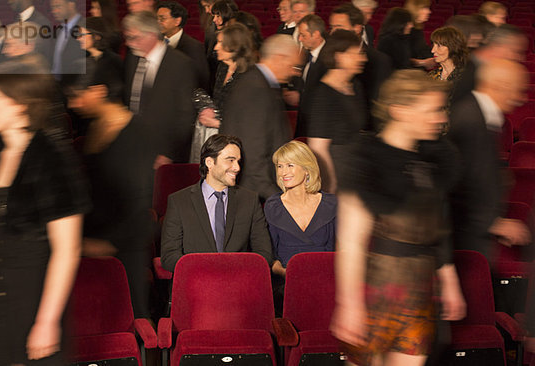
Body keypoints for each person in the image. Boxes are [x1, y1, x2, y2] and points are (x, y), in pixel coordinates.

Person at [331, 69, 466, 366]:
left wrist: (448, 278)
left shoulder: (434, 159)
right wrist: (350, 305)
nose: (441, 118)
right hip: (375, 290)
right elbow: (351, 242)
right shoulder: (365, 160)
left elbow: (437, 230)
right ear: (400, 111)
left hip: (419, 291)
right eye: (432, 110)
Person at [0, 61, 90, 365]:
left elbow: (66, 250)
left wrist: (46, 321)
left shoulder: (53, 156)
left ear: (19, 105)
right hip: (0, 287)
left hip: (38, 290)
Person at [66, 57, 154, 319]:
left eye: (77, 96)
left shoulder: (137, 132)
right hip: (92, 242)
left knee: (131, 315)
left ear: (99, 91)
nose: (72, 104)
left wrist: (106, 244)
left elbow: (137, 199)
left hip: (122, 245)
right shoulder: (93, 126)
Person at [448, 59, 531, 258]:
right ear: (500, 86)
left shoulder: (480, 115)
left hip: (475, 233)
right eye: (518, 90)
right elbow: (459, 182)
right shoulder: (469, 119)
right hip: (465, 237)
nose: (521, 99)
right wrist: (493, 223)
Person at [161, 134, 273, 272]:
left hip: (238, 284)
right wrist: (209, 271)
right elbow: (169, 257)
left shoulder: (250, 200)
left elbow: (265, 254)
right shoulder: (179, 201)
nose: (237, 167)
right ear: (209, 162)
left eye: (238, 161)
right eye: (230, 160)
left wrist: (234, 273)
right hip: (195, 286)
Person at [220, 34, 300, 201]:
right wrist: (276, 196)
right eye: (293, 66)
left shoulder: (259, 82)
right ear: (279, 58)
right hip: (255, 193)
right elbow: (253, 150)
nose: (294, 72)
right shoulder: (256, 89)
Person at [264, 141, 336, 314]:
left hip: (327, 283)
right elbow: (269, 256)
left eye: (290, 165)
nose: (283, 172)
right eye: (280, 166)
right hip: (287, 286)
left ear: (307, 168)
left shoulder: (331, 204)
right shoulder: (272, 206)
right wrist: (286, 273)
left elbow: (342, 251)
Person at [123, 11, 197, 167]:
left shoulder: (180, 64)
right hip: (132, 146)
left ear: (150, 35)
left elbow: (185, 115)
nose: (129, 43)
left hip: (162, 153)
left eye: (133, 37)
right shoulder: (132, 59)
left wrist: (168, 153)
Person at [305, 29, 367, 193]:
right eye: (357, 53)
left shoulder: (356, 86)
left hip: (356, 170)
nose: (363, 58)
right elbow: (318, 148)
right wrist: (330, 185)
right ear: (340, 56)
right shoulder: (324, 94)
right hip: (337, 173)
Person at [190, 22, 256, 162]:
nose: (215, 47)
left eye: (220, 42)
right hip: (219, 138)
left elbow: (249, 121)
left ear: (234, 46)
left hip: (237, 144)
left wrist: (218, 123)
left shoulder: (249, 76)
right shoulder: (222, 68)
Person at [451, 24, 527, 105]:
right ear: (499, 47)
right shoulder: (464, 74)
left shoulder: (481, 69)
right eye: (517, 52)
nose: (520, 58)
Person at [157, 1, 210, 90]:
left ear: (177, 21)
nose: (158, 22)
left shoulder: (194, 47)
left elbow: (201, 80)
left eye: (162, 19)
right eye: (157, 19)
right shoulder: (156, 42)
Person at [292, 14, 327, 138]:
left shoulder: (330, 58)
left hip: (321, 125)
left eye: (303, 35)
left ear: (316, 34)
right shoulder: (305, 55)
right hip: (304, 121)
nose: (300, 39)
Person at [50, 0, 85, 81]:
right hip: (57, 84)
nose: (54, 11)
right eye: (52, 8)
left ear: (71, 5)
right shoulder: (58, 30)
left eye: (58, 6)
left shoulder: (85, 27)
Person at [404, 0, 435, 69]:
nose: (429, 12)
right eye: (425, 8)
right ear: (415, 10)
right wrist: (423, 62)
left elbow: (424, 50)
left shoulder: (417, 30)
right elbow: (400, 58)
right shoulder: (406, 31)